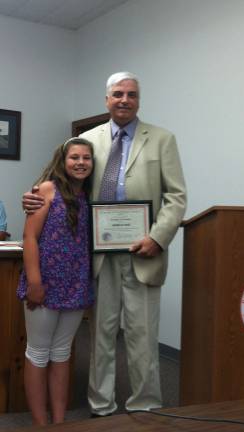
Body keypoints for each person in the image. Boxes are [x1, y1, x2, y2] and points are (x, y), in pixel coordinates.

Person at [22, 71, 186, 417]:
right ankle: (101, 405)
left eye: (131, 94)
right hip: (96, 256)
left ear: (138, 99)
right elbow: (64, 176)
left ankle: (145, 406)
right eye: (118, 94)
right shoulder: (89, 140)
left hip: (145, 251)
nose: (124, 100)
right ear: (106, 99)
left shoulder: (162, 139)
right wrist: (34, 195)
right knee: (101, 335)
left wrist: (158, 237)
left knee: (142, 337)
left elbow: (176, 196)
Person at [18, 137, 94, 425]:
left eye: (86, 158)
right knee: (38, 353)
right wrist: (35, 282)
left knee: (62, 353)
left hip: (76, 286)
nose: (80, 163)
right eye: (74, 157)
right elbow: (29, 237)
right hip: (45, 285)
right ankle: (41, 423)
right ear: (63, 161)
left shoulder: (88, 195)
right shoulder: (47, 190)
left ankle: (60, 422)